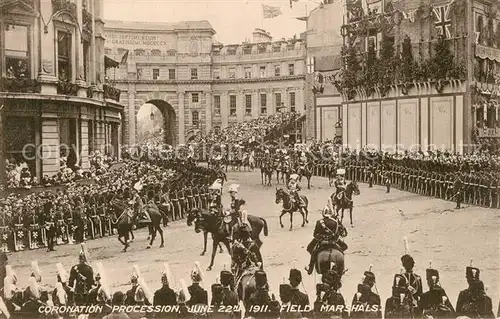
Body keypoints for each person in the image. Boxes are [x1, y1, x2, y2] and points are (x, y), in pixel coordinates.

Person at [305, 200, 347, 275]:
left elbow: (315, 234)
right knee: (344, 247)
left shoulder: (319, 222)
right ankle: (342, 268)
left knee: (311, 249)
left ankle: (310, 268)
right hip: (333, 242)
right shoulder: (335, 222)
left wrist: (322, 239)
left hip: (321, 242)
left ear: (323, 213)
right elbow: (337, 234)